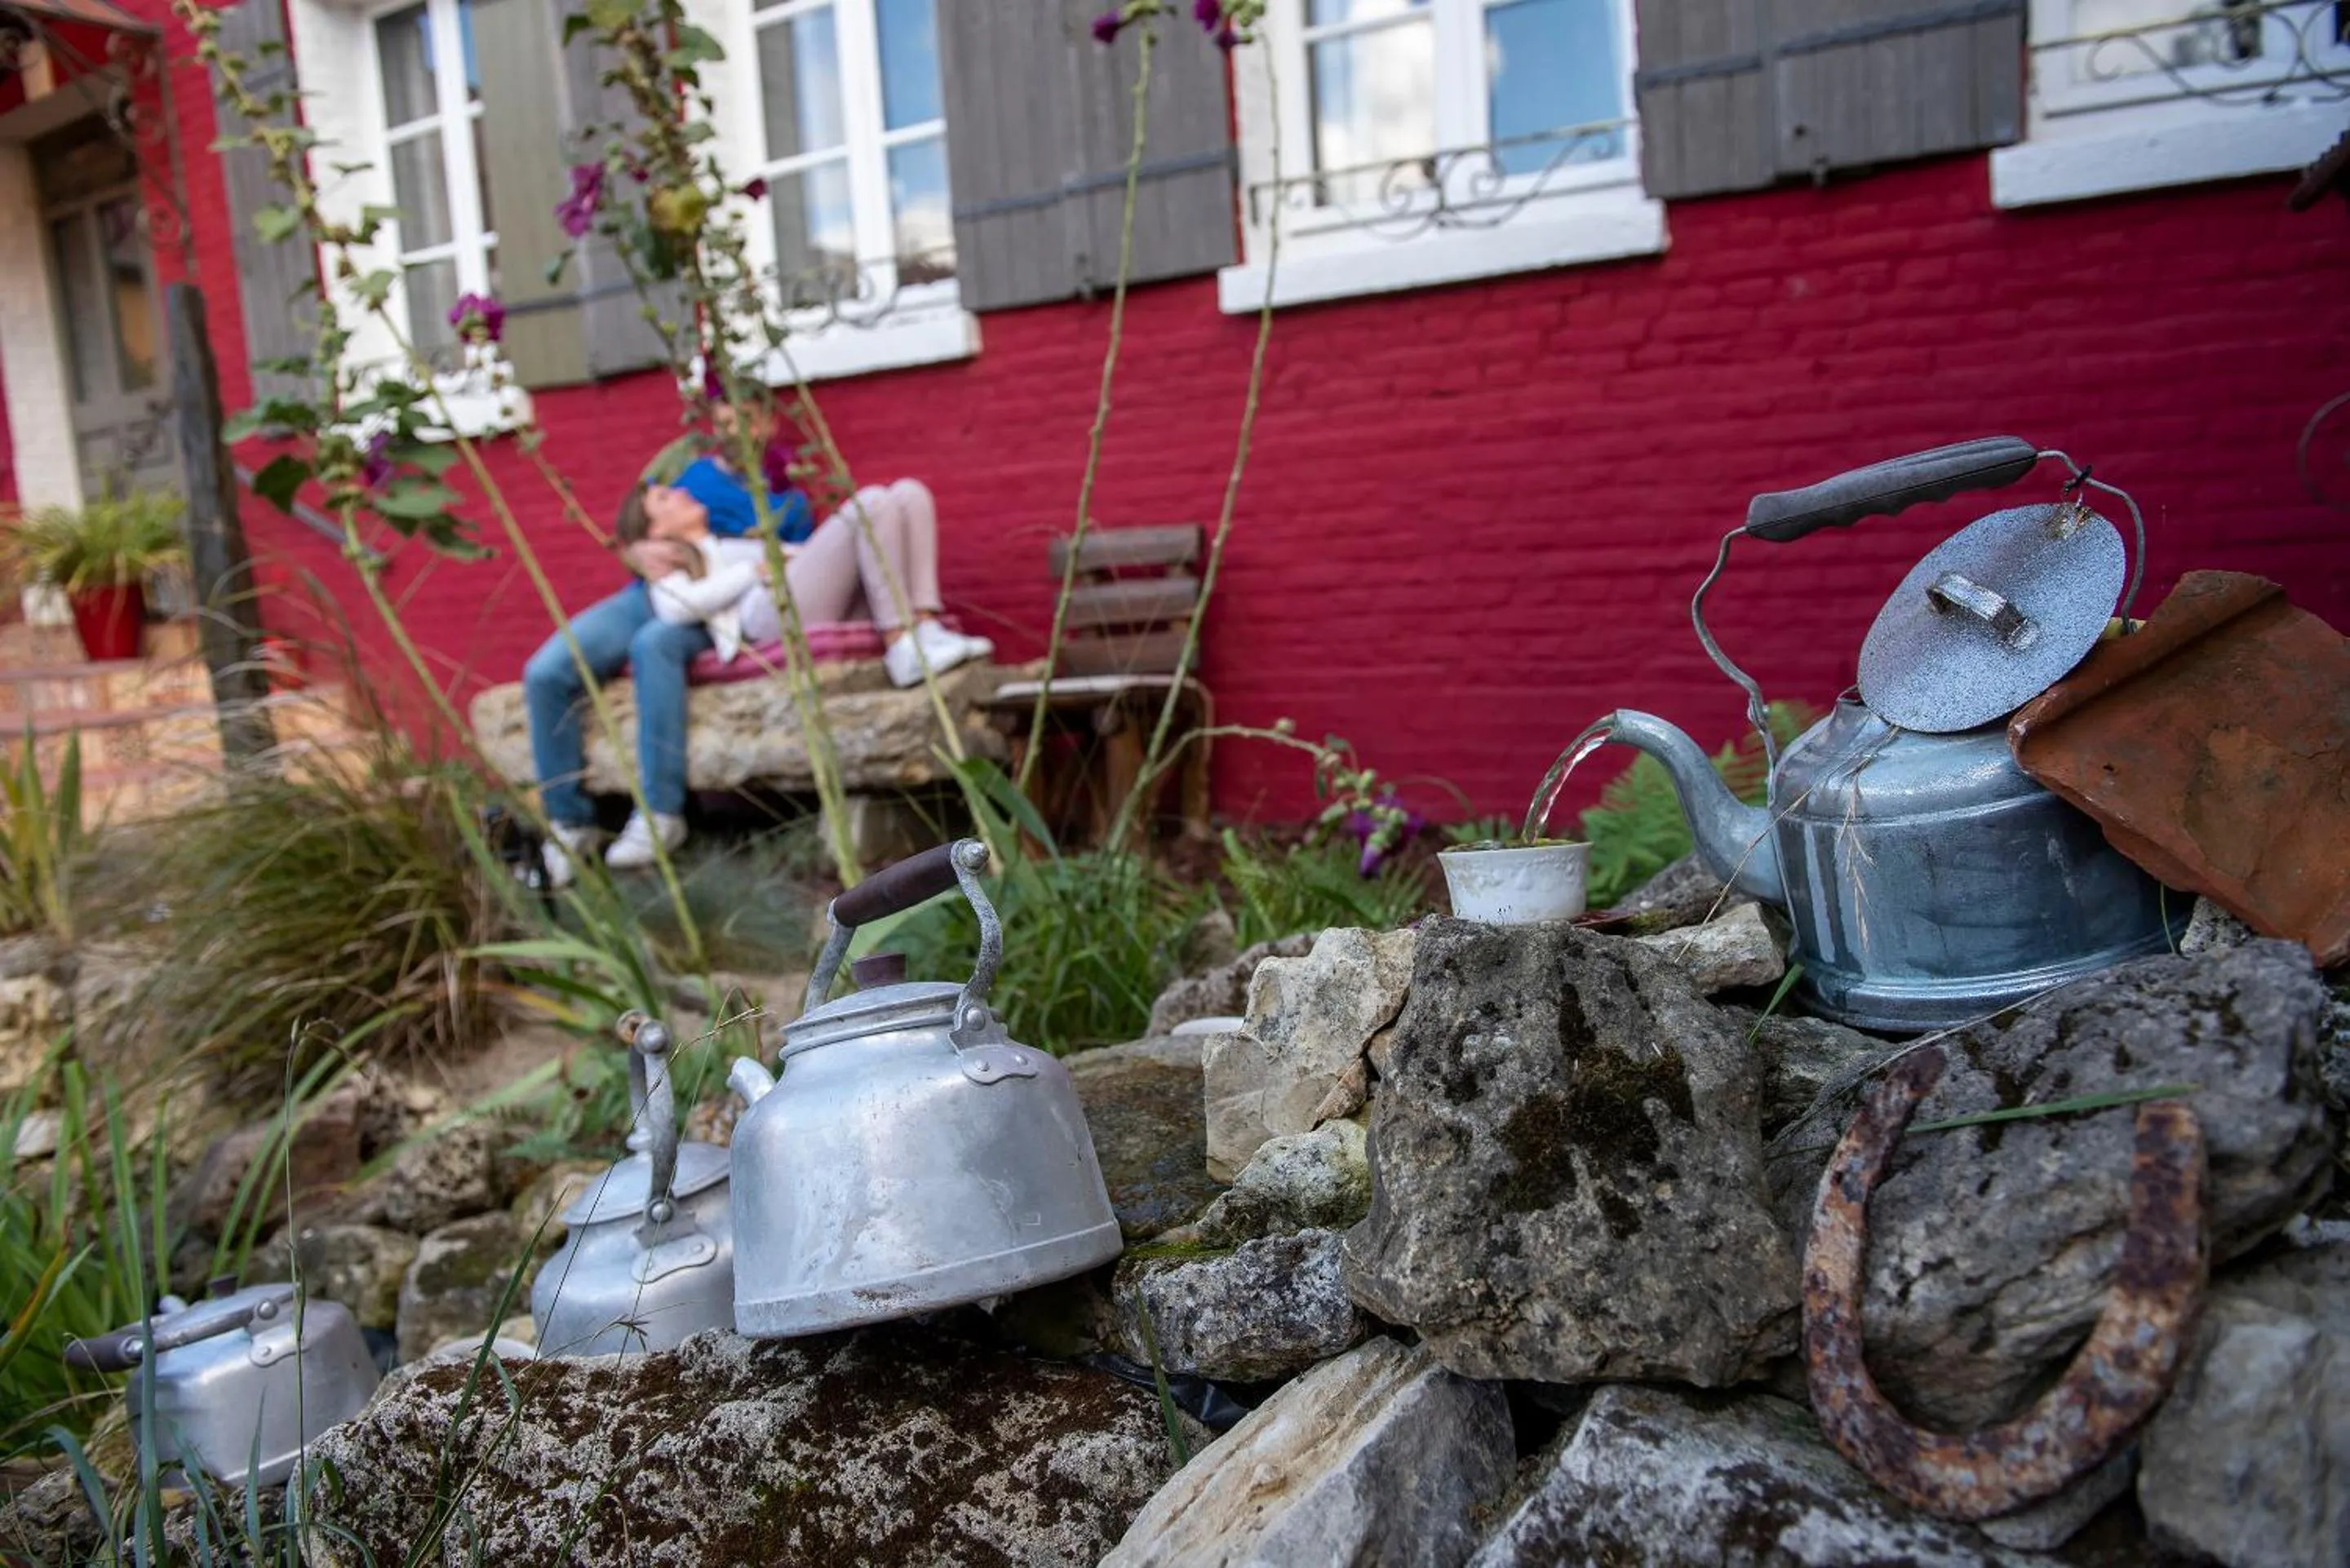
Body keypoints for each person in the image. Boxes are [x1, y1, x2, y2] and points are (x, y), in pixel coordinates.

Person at [521, 396, 988, 885]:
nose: (732, 425)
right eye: (723, 416)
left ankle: (658, 812)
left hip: (739, 604)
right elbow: (639, 518)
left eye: (745, 416)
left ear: (768, 423)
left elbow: (808, 562)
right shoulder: (694, 473)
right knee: (565, 666)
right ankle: (580, 821)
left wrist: (781, 562)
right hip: (671, 595)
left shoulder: (788, 493)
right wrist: (641, 548)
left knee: (656, 643)